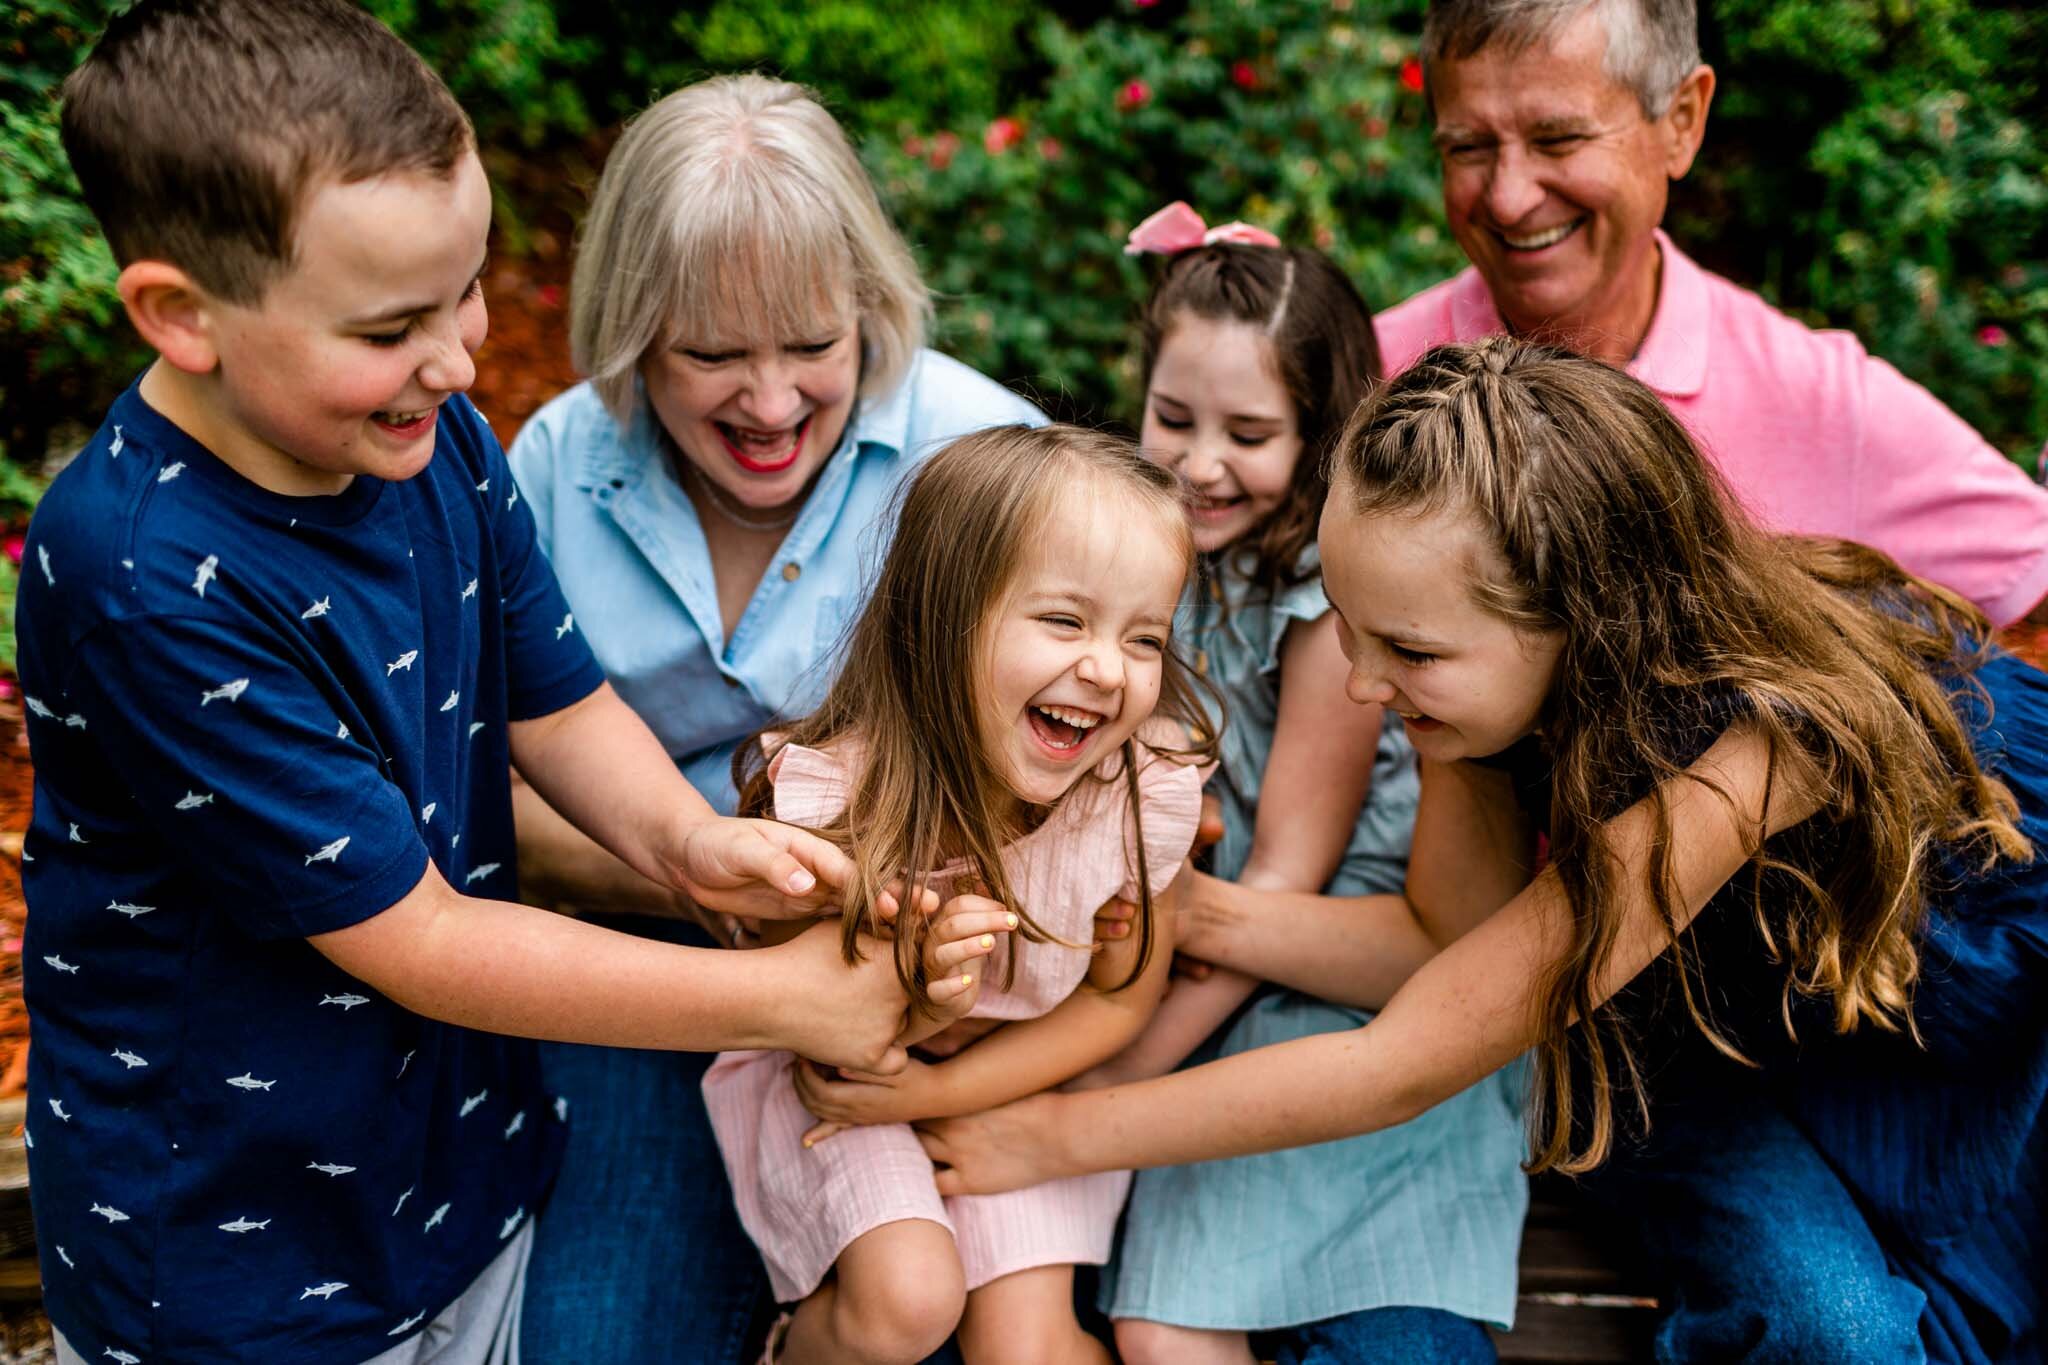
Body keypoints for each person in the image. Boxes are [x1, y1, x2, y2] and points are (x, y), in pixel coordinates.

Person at [18, 7, 919, 1362]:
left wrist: (691, 843)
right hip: (232, 1252)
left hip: (456, 1159)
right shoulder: (147, 577)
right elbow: (423, 939)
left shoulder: (425, 438)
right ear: (180, 314)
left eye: (469, 292)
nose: (457, 356)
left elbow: (553, 700)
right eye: (392, 325)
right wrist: (791, 1001)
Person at [919, 338, 2048, 1364]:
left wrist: (1046, 1136)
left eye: (1404, 647)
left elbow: (1406, 1058)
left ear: (1581, 620)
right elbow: (1438, 945)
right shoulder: (1482, 707)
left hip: (1964, 1050)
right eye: (1349, 628)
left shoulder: (1758, 747)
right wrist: (1193, 913)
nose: (1361, 684)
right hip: (1714, 1046)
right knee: (1828, 1330)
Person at [503, 76, 1046, 1359]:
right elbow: (494, 795)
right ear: (632, 332)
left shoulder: (983, 459)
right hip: (648, 977)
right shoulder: (559, 463)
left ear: (868, 305)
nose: (766, 402)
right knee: (599, 1341)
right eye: (708, 353)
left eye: (810, 345)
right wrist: (687, 879)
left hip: (920, 1005)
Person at [1094, 204, 1523, 1364]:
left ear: (1320, 436)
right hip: (1207, 950)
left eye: (1246, 431)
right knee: (1151, 1329)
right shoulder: (1156, 553)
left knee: (1163, 1324)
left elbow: (1285, 871)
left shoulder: (1325, 608)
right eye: (1169, 418)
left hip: (1329, 963)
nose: (1195, 462)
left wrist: (1122, 1070)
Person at [710, 424, 1208, 1364]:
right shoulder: (840, 805)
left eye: (1144, 636)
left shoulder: (1140, 804)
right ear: (942, 619)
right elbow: (807, 1022)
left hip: (1014, 1080)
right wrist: (911, 986)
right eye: (1064, 621)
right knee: (907, 1300)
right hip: (847, 1084)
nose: (1108, 667)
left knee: (1025, 1350)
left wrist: (944, 1089)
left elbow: (1119, 998)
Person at [1378, 0, 2048, 628]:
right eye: (1467, 147)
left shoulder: (1822, 401)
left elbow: (2032, 579)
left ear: (1682, 121)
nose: (1508, 198)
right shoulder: (1363, 372)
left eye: (1558, 139)